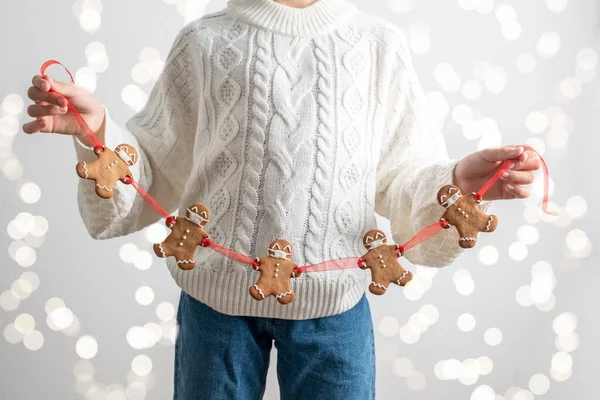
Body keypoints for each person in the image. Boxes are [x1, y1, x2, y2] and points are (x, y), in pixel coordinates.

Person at [23, 0, 541, 398]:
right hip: (214, 306)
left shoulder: (377, 44)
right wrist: (98, 132)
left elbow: (400, 175)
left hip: (335, 309)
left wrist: (457, 182)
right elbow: (156, 165)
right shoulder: (205, 41)